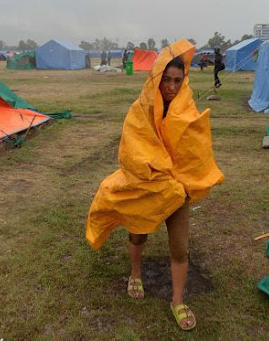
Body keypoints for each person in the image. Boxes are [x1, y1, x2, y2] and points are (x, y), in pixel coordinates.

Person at [86, 40, 223, 331]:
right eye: (167, 80)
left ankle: (177, 300)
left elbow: (195, 151)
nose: (172, 87)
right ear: (156, 78)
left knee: (179, 247)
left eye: (178, 81)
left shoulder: (187, 111)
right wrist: (160, 177)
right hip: (147, 188)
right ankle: (135, 273)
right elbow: (133, 152)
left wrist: (181, 185)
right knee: (139, 235)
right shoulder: (140, 110)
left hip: (178, 192)